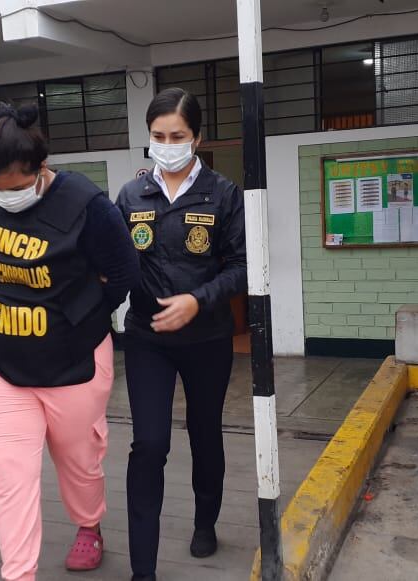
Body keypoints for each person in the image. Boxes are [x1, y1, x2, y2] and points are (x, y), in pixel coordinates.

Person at [0, 102, 139, 581]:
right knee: (11, 474)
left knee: (79, 460)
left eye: (15, 188)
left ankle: (89, 525)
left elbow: (124, 271)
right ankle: (18, 574)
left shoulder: (85, 204)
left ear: (41, 169)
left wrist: (84, 315)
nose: (3, 197)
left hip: (74, 361)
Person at [115, 88, 246, 581]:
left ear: (197, 138)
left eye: (177, 136)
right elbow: (113, 262)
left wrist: (198, 300)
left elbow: (241, 267)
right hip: (147, 338)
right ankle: (142, 570)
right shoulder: (132, 195)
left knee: (204, 433)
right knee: (149, 444)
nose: (167, 144)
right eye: (157, 136)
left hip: (207, 339)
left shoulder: (223, 194)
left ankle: (206, 520)